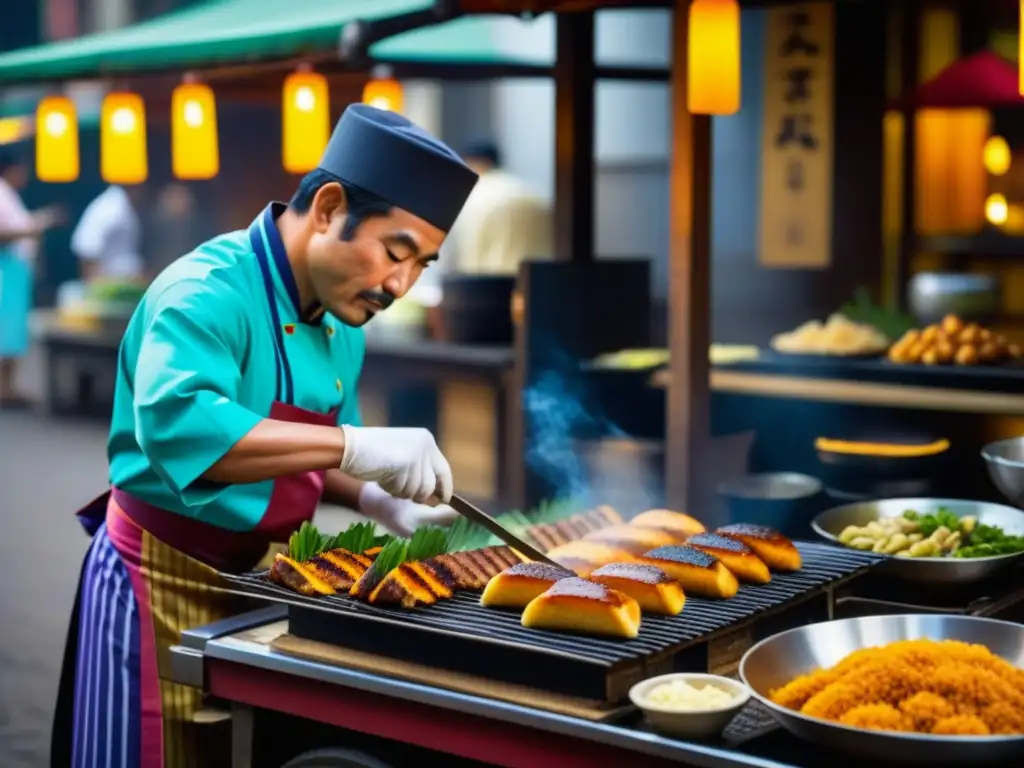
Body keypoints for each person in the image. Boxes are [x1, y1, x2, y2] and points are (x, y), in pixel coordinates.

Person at [51, 105, 479, 768]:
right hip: (155, 577)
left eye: (422, 264)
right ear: (330, 207)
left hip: (258, 582)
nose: (401, 284)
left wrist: (377, 498)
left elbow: (304, 445)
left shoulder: (345, 323)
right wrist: (355, 450)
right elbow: (184, 431)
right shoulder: (206, 292)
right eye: (395, 252)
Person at [0, 150, 60, 407]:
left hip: (18, 269)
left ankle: (8, 386)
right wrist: (37, 226)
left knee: (14, 331)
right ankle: (3, 388)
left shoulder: (10, 196)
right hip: (7, 269)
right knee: (6, 329)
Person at [441, 139, 553, 275]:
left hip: (489, 286)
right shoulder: (534, 194)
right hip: (538, 284)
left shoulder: (475, 195)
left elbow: (461, 252)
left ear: (472, 163)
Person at [70, 183, 145, 282]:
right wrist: (94, 282)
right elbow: (87, 247)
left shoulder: (126, 204)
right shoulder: (109, 208)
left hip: (129, 281)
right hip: (109, 283)